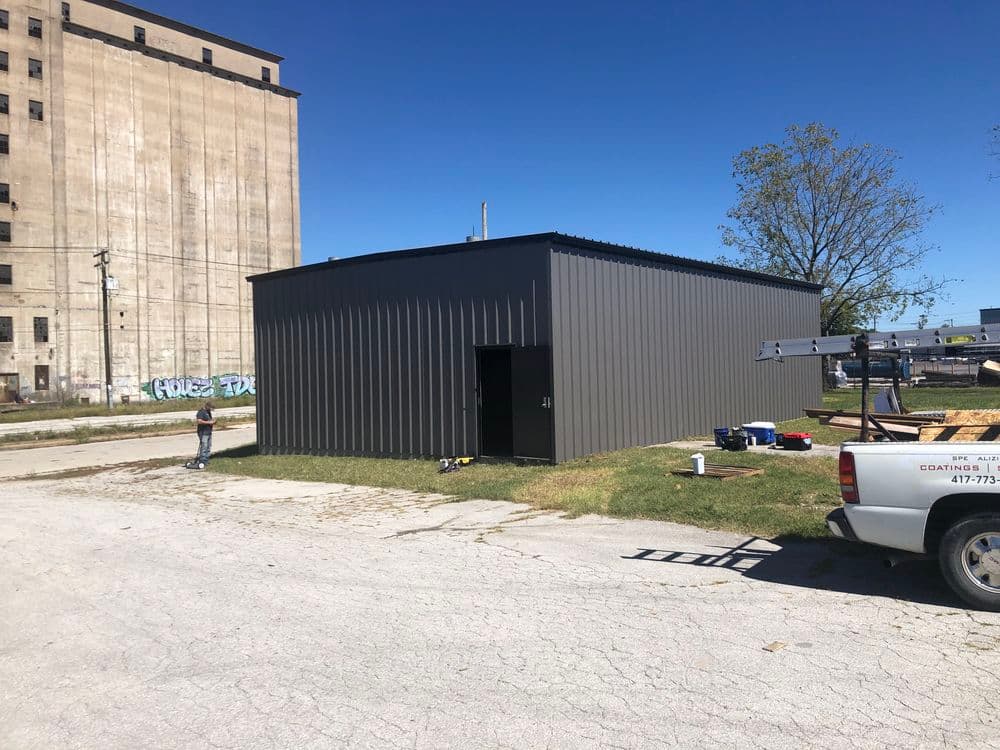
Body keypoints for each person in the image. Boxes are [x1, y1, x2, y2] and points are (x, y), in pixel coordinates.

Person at [189, 400, 217, 469]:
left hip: (208, 432)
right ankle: (202, 460)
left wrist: (213, 421)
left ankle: (206, 459)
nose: (211, 410)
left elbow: (209, 420)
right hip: (203, 432)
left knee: (208, 446)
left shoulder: (208, 412)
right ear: (207, 406)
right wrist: (209, 422)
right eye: (211, 408)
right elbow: (199, 421)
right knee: (204, 446)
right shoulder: (201, 412)